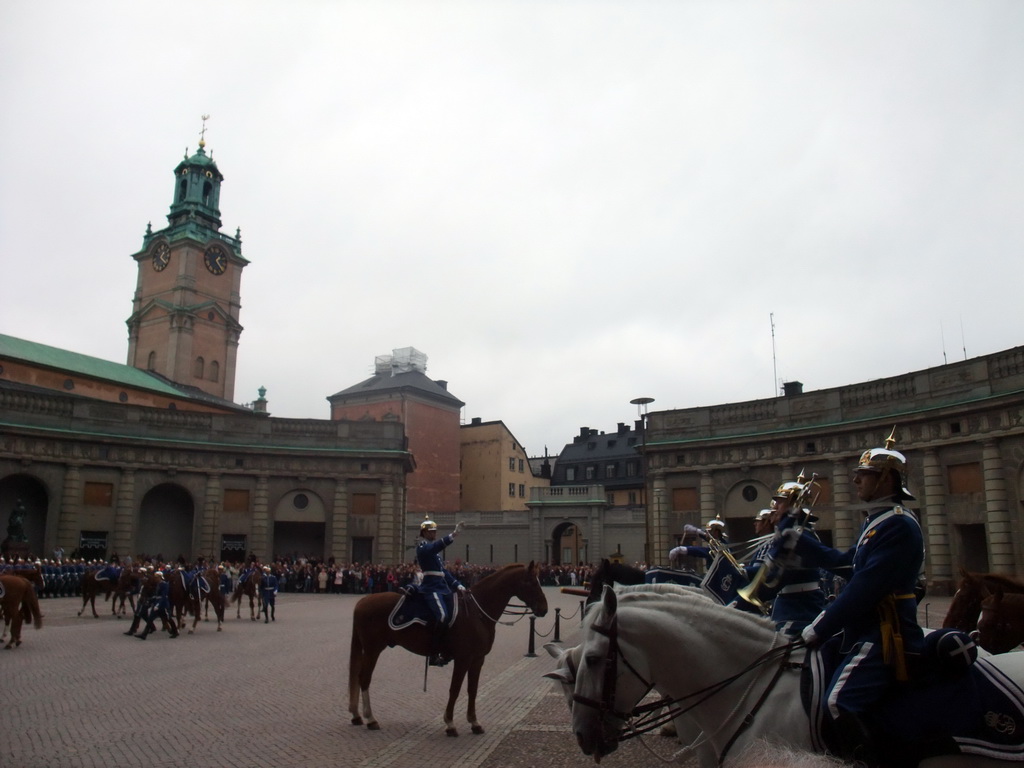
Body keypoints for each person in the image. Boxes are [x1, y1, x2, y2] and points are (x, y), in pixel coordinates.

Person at [784, 431, 924, 765]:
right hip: (863, 629)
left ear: (887, 478)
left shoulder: (899, 524)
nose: (855, 479)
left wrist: (818, 628)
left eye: (864, 474)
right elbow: (846, 563)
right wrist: (800, 539)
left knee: (839, 702)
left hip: (886, 632)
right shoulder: (875, 523)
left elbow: (866, 586)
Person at [744, 479, 827, 635]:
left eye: (779, 503)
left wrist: (743, 573)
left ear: (794, 506)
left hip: (799, 612)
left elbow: (777, 574)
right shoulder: (789, 534)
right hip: (785, 608)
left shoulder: (801, 536)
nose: (774, 508)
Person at [415, 515, 466, 666]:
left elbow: (444, 572)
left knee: (454, 615)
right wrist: (453, 535)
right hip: (431, 588)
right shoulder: (423, 547)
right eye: (431, 531)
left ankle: (447, 648)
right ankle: (433, 652)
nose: (434, 533)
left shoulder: (435, 554)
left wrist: (458, 585)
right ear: (424, 533)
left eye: (435, 531)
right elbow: (435, 546)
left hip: (442, 587)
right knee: (442, 616)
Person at [136, 571, 178, 640]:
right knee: (150, 619)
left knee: (168, 618)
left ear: (160, 577)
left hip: (163, 605)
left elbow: (164, 596)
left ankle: (175, 632)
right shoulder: (158, 584)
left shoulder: (164, 585)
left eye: (157, 577)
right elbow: (156, 595)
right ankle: (144, 634)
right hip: (156, 604)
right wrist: (150, 600)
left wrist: (158, 605)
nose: (155, 579)